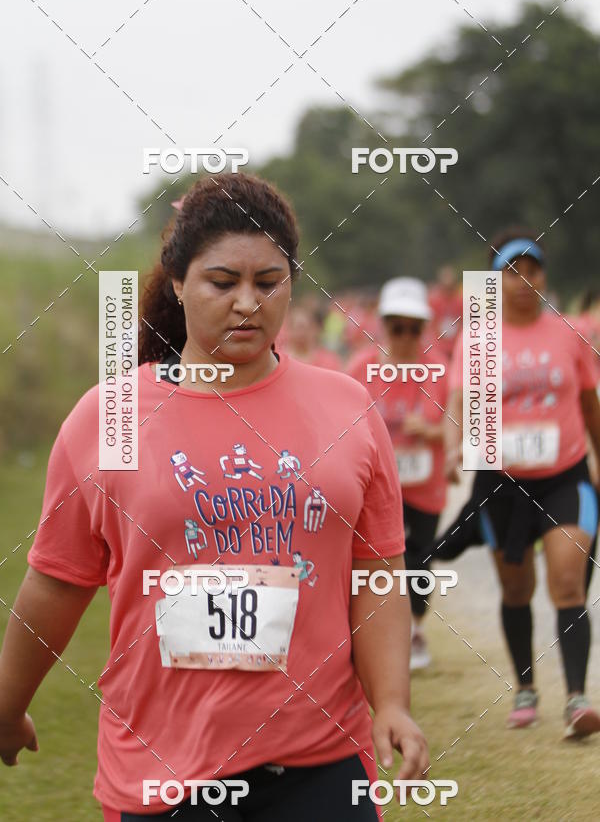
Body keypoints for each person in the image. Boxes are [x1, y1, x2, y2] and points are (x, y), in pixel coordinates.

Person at [0, 173, 428, 819]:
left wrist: (391, 702)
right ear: (177, 281)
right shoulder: (111, 417)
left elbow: (378, 571)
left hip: (320, 761)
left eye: (268, 282)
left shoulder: (346, 406)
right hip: (163, 771)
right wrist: (7, 706)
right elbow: (58, 581)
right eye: (222, 283)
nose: (248, 304)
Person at [442, 229, 600, 737]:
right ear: (493, 281)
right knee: (517, 588)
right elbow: (460, 403)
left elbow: (590, 404)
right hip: (501, 484)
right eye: (511, 271)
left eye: (532, 270)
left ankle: (577, 700)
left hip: (564, 475)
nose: (523, 281)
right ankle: (526, 686)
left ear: (543, 277)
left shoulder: (569, 333)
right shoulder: (478, 337)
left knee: (568, 581)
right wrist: (452, 447)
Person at [347, 278, 449, 671]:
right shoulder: (361, 367)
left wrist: (436, 432)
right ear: (383, 326)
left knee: (419, 558)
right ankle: (370, 631)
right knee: (371, 560)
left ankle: (416, 628)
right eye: (397, 327)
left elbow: (465, 425)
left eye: (414, 328)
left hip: (425, 483)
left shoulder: (439, 368)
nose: (405, 336)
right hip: (376, 485)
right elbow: (343, 423)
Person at [278, 302, 341, 370]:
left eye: (305, 327)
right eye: (297, 327)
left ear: (315, 329)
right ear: (289, 329)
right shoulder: (277, 359)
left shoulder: (329, 360)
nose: (301, 332)